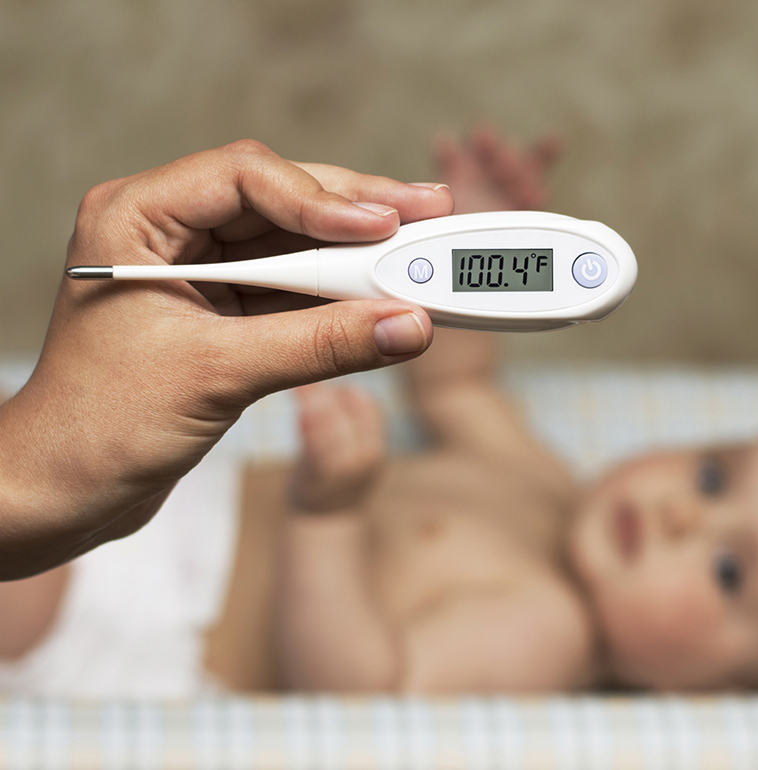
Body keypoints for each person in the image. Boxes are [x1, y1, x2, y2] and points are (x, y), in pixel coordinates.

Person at [268, 129, 758, 693]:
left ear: (711, 696)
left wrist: (327, 516)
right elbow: (454, 386)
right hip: (177, 492)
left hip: (180, 611)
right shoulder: (544, 479)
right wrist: (474, 249)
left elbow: (363, 699)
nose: (683, 514)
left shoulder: (551, 635)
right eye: (713, 477)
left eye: (729, 570)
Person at [0, 140, 453, 580]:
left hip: (166, 566)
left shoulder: (514, 629)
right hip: (143, 516)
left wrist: (327, 521)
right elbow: (459, 387)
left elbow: (350, 663)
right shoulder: (516, 461)